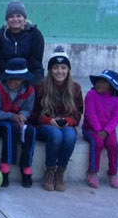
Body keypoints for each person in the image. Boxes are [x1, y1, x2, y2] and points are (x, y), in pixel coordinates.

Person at [30, 48, 83, 192]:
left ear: (68, 70)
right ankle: (50, 171)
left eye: (63, 67)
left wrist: (68, 121)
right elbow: (33, 114)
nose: (60, 71)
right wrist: (49, 121)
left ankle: (60, 172)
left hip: (66, 124)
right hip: (45, 125)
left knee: (70, 136)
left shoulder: (75, 88)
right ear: (50, 70)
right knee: (56, 135)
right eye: (56, 67)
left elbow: (78, 113)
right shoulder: (40, 87)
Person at [0, 58, 36, 188]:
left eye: (16, 79)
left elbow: (27, 109)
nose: (12, 82)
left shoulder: (29, 90)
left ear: (23, 79)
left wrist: (22, 116)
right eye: (10, 78)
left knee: (31, 131)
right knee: (10, 128)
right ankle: (5, 167)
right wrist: (11, 116)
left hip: (19, 121)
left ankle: (26, 166)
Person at [83, 69, 118, 189]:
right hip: (91, 128)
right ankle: (93, 172)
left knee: (113, 145)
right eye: (98, 81)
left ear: (111, 87)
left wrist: (106, 131)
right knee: (98, 142)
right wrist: (98, 129)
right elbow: (90, 114)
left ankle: (113, 173)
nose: (99, 84)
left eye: (104, 83)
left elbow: (116, 118)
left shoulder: (117, 100)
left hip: (108, 130)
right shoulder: (91, 95)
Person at [0, 1, 45, 84]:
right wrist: (12, 71)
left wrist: (21, 71)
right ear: (7, 19)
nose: (15, 19)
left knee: (38, 84)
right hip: (7, 70)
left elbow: (36, 60)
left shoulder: (35, 34)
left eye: (19, 16)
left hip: (31, 70)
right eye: (11, 17)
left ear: (24, 18)